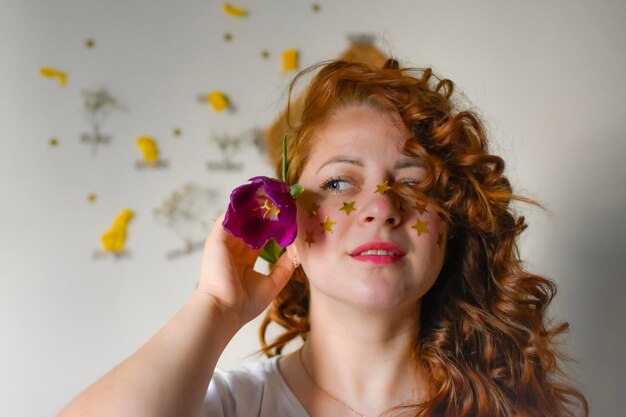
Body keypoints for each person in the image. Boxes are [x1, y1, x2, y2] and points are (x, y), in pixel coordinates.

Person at [58, 59, 588, 417]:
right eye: (338, 182)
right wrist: (215, 307)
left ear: (449, 225)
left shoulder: (509, 407)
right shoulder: (231, 405)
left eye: (411, 181)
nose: (381, 207)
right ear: (288, 218)